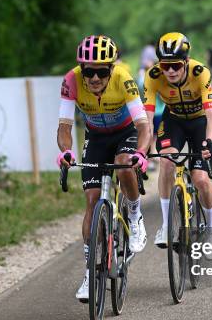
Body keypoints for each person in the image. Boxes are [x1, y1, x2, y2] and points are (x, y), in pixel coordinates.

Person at [57, 35, 151, 302]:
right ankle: (90, 273)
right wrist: (65, 151)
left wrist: (141, 154)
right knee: (92, 200)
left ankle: (134, 216)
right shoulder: (71, 80)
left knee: (123, 166)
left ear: (111, 68)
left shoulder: (124, 79)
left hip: (126, 133)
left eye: (101, 71)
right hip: (96, 137)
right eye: (89, 71)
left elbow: (144, 126)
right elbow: (64, 126)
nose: (95, 78)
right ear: (81, 70)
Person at [142, 32, 212, 248]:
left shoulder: (200, 72)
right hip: (174, 120)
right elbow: (147, 118)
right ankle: (166, 225)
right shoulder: (153, 75)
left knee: (201, 179)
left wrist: (209, 141)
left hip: (199, 123)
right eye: (165, 66)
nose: (170, 71)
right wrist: (144, 148)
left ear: (186, 62)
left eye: (175, 65)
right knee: (166, 162)